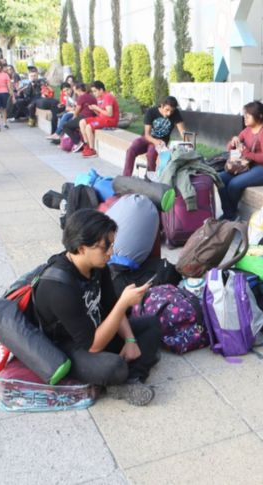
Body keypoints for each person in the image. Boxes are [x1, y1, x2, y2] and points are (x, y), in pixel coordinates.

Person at [33, 209, 161, 406]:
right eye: (105, 247)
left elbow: (110, 307)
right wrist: (124, 303)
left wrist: (130, 339)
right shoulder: (59, 287)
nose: (111, 252)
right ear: (82, 248)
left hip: (97, 328)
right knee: (114, 367)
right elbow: (93, 345)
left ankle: (131, 379)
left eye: (111, 244)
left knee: (152, 323)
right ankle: (123, 378)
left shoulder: (98, 267)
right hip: (71, 347)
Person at [219, 100, 263, 221]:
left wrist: (247, 153)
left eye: (248, 115)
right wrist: (233, 141)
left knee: (234, 184)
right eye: (244, 115)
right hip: (251, 165)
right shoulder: (247, 130)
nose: (245, 118)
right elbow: (229, 147)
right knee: (219, 179)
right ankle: (229, 213)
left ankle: (230, 215)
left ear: (259, 116)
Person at [122, 96, 186, 176]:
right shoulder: (151, 112)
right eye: (167, 110)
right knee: (131, 150)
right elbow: (147, 134)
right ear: (162, 106)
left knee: (151, 154)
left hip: (161, 142)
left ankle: (150, 179)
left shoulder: (176, 113)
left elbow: (182, 132)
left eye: (171, 111)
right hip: (147, 138)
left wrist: (188, 144)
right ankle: (126, 176)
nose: (169, 113)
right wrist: (155, 141)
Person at [77, 80, 120, 158]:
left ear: (101, 90)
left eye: (95, 91)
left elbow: (110, 114)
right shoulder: (99, 98)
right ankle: (86, 145)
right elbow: (100, 114)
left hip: (110, 121)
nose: (94, 93)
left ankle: (92, 150)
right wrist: (94, 109)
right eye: (93, 91)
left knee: (89, 127)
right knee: (82, 122)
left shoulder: (108, 97)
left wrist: (97, 108)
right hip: (101, 119)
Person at [62, 83, 97, 149]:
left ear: (79, 90)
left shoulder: (82, 97)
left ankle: (77, 142)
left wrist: (73, 118)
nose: (76, 93)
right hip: (91, 117)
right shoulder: (91, 96)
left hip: (84, 117)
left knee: (66, 126)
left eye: (76, 91)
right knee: (72, 124)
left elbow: (77, 111)